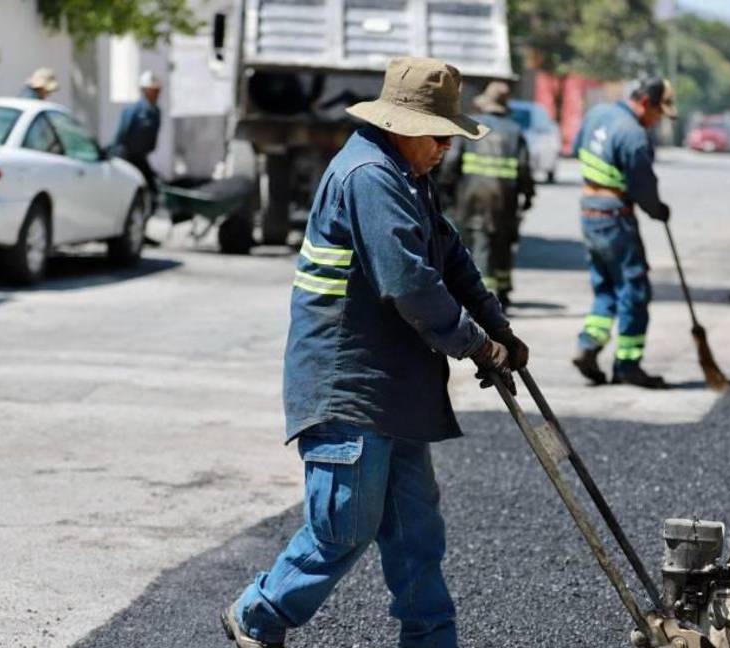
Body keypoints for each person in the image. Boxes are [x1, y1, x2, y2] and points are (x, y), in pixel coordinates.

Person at [221, 57, 529, 648]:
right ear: (402, 125)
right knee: (343, 528)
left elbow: (451, 257)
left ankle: (431, 640)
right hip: (348, 383)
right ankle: (257, 616)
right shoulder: (369, 176)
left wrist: (500, 330)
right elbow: (409, 283)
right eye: (438, 134)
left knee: (417, 533)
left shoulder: (408, 174)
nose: (445, 145)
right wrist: (477, 346)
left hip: (399, 383)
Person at [570, 77, 676, 389]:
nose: (657, 120)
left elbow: (578, 148)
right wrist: (658, 210)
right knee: (634, 289)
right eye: (658, 112)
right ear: (645, 102)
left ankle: (588, 343)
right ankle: (628, 365)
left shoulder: (597, 114)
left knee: (605, 287)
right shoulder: (634, 136)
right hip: (616, 218)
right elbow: (645, 190)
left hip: (589, 212)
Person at [438, 81, 534, 308]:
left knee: (478, 244)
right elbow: (523, 169)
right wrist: (528, 196)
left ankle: (485, 295)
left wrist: (443, 188)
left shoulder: (470, 126)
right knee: (500, 245)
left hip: (470, 198)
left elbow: (451, 162)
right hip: (504, 201)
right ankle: (501, 289)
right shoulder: (514, 131)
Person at [111, 71, 163, 212]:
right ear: (145, 91)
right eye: (154, 91)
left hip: (141, 157)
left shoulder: (156, 112)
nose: (157, 94)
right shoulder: (133, 110)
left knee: (153, 188)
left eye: (158, 91)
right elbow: (121, 134)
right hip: (127, 156)